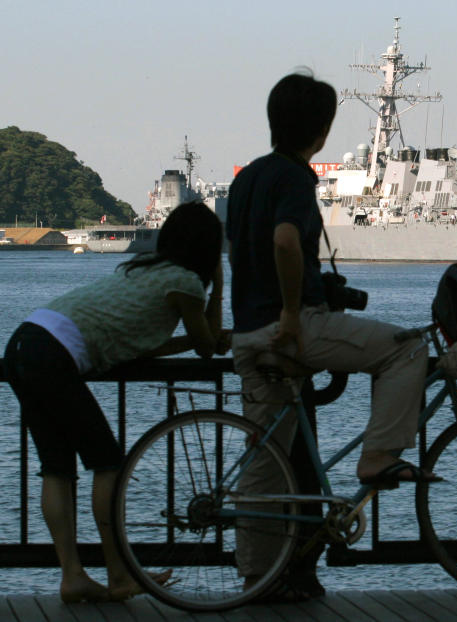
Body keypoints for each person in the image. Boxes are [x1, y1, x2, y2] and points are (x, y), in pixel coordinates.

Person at [226, 70, 433, 598]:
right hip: (289, 328)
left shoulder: (246, 178)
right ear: (322, 130)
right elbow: (286, 241)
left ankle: (257, 575)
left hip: (249, 335)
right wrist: (295, 313)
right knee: (408, 348)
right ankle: (379, 456)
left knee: (265, 464)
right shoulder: (296, 177)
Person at [3, 200, 229, 603]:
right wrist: (220, 285)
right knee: (108, 464)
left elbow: (135, 343)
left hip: (26, 340)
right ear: (209, 249)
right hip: (54, 355)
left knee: (57, 468)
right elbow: (208, 348)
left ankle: (73, 575)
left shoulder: (142, 270)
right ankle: (119, 575)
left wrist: (193, 338)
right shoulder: (185, 284)